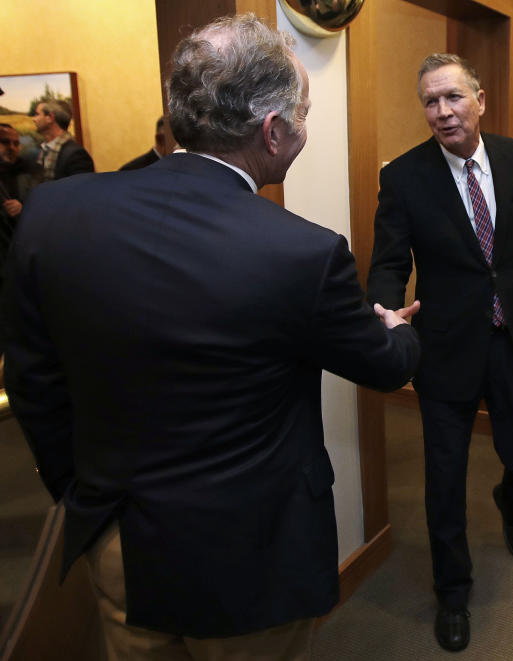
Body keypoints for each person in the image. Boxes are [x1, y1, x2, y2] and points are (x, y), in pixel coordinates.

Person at [1, 14, 420, 659]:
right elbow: (385, 366)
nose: (305, 129)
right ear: (273, 131)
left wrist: (84, 496)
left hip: (121, 543)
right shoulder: (302, 253)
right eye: (303, 115)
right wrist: (393, 328)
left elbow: (33, 381)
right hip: (251, 563)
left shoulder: (55, 213)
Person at [366, 53, 513, 652]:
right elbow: (389, 261)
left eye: (453, 97)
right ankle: (452, 592)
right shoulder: (403, 176)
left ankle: (511, 498)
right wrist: (384, 307)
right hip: (447, 348)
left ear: (479, 98)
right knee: (444, 480)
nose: (443, 112)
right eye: (430, 101)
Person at [0, 123, 39, 303]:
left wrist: (24, 208)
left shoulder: (27, 171)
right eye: (5, 142)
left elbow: (39, 207)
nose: (12, 148)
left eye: (16, 143)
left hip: (21, 256)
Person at [31, 98, 95, 180]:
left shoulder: (76, 155)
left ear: (50, 117)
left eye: (37, 114)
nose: (34, 119)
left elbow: (82, 190)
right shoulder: (46, 149)